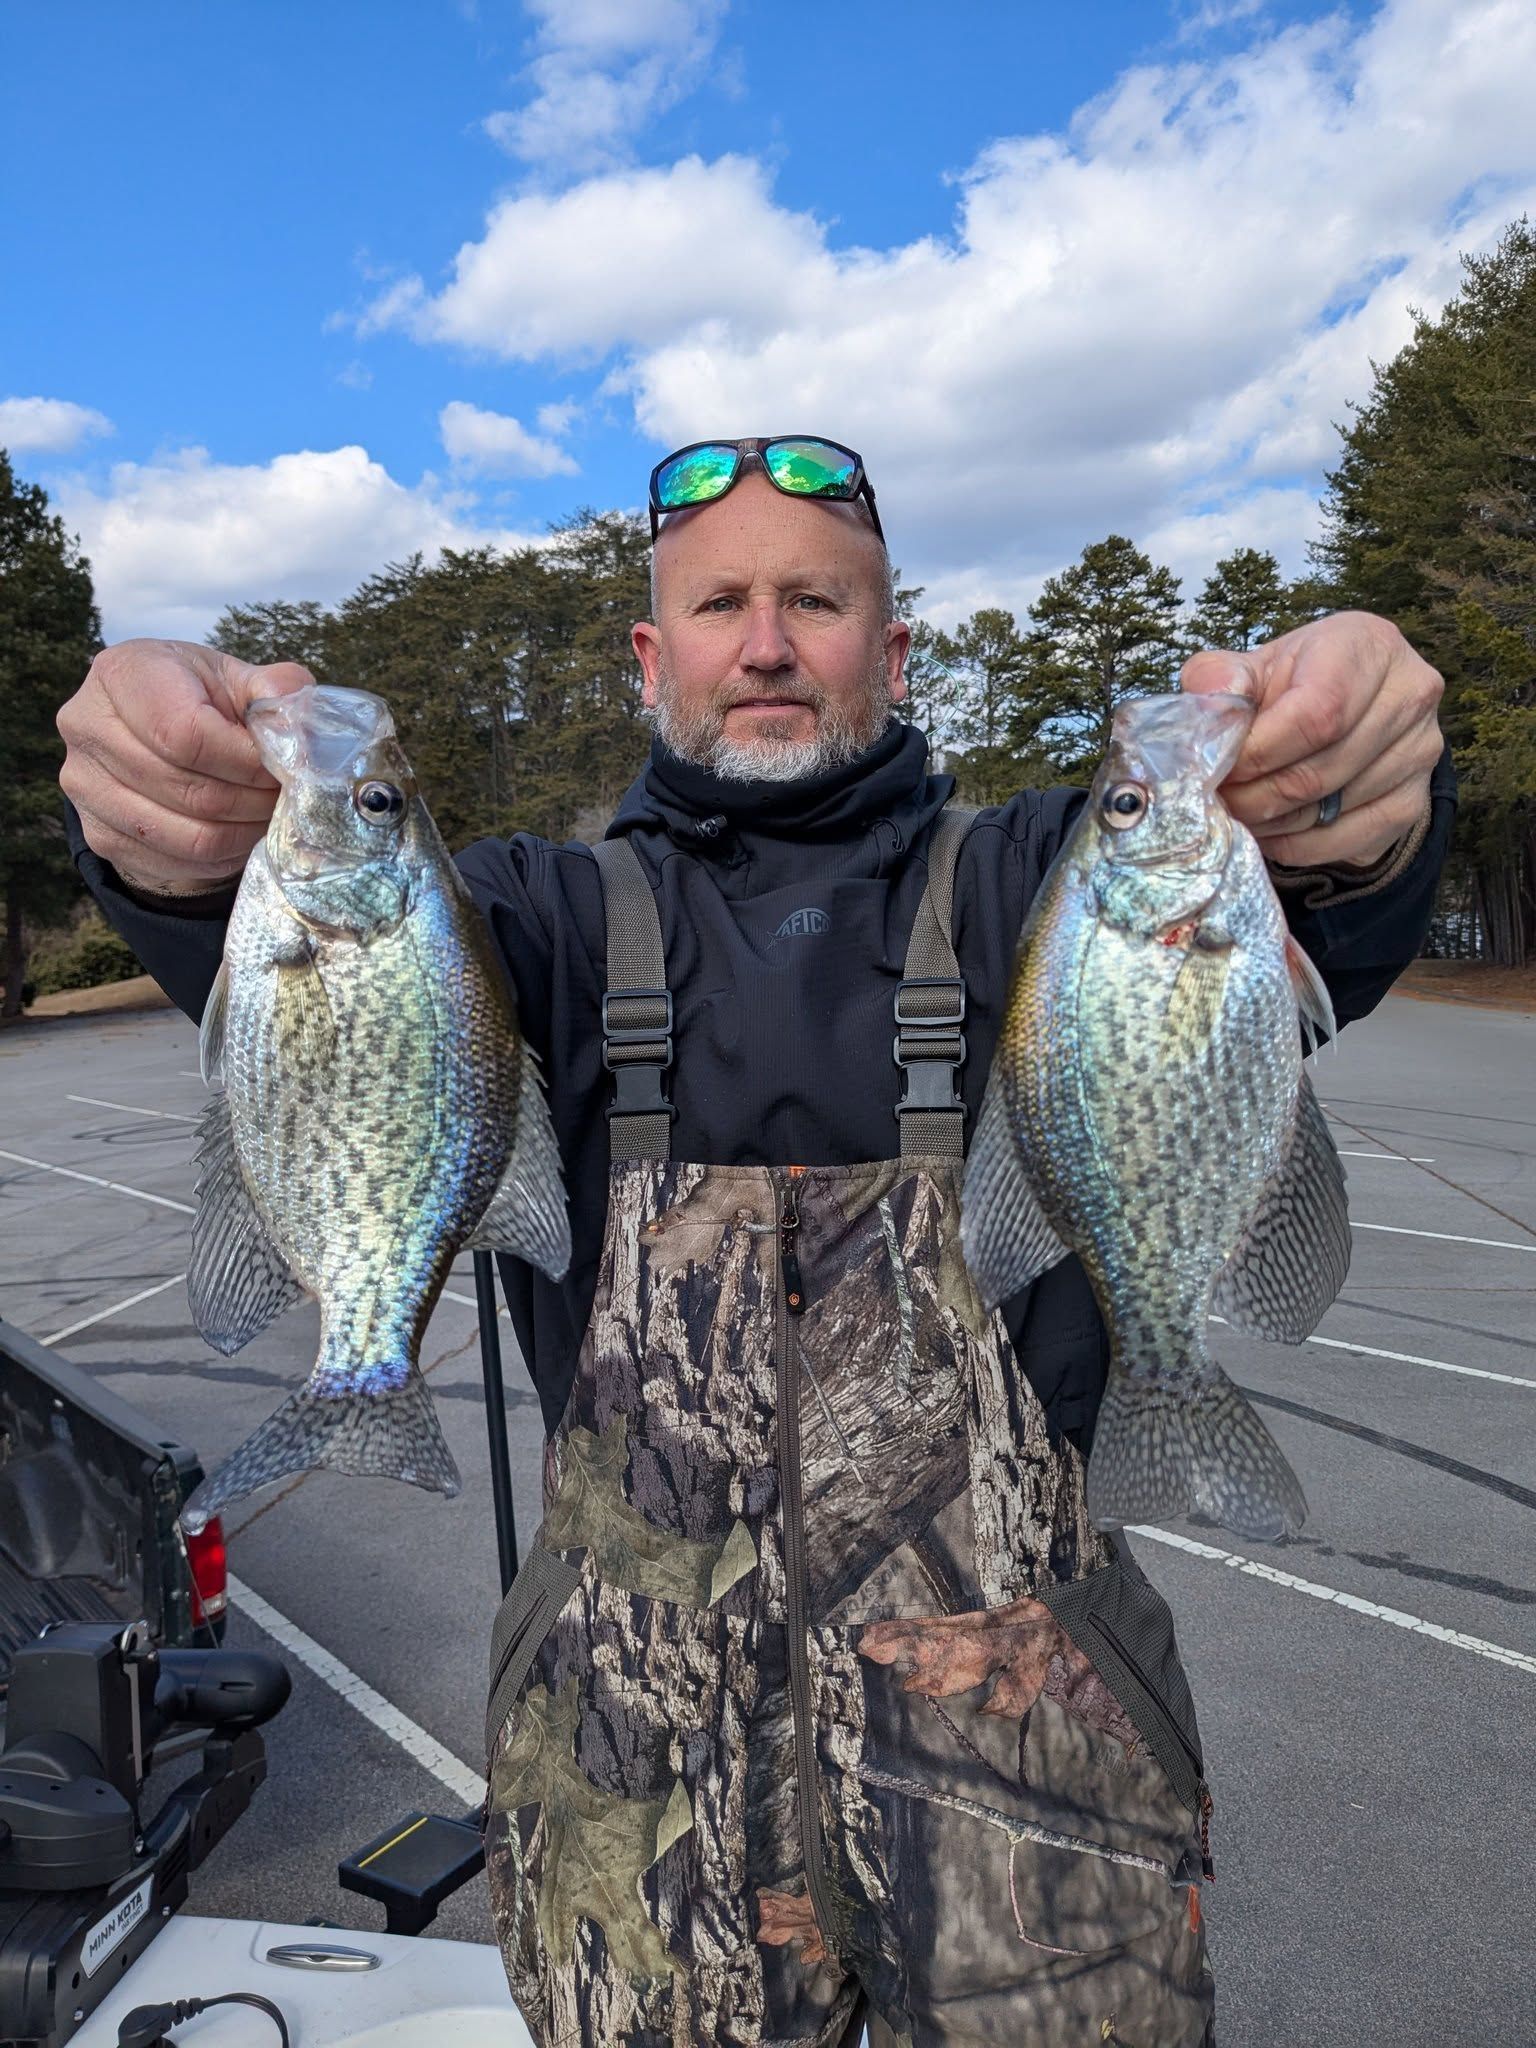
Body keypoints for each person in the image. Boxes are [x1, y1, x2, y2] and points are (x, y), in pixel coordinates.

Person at [58, 437, 1452, 2048]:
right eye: (721, 605)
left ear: (895, 648)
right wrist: (165, 844)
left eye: (817, 602)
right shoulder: (525, 919)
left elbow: (1305, 904)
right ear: (652, 658)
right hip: (632, 1783)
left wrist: (1343, 806)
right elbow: (320, 993)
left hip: (1033, 1768)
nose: (769, 642)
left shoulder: (1044, 885)